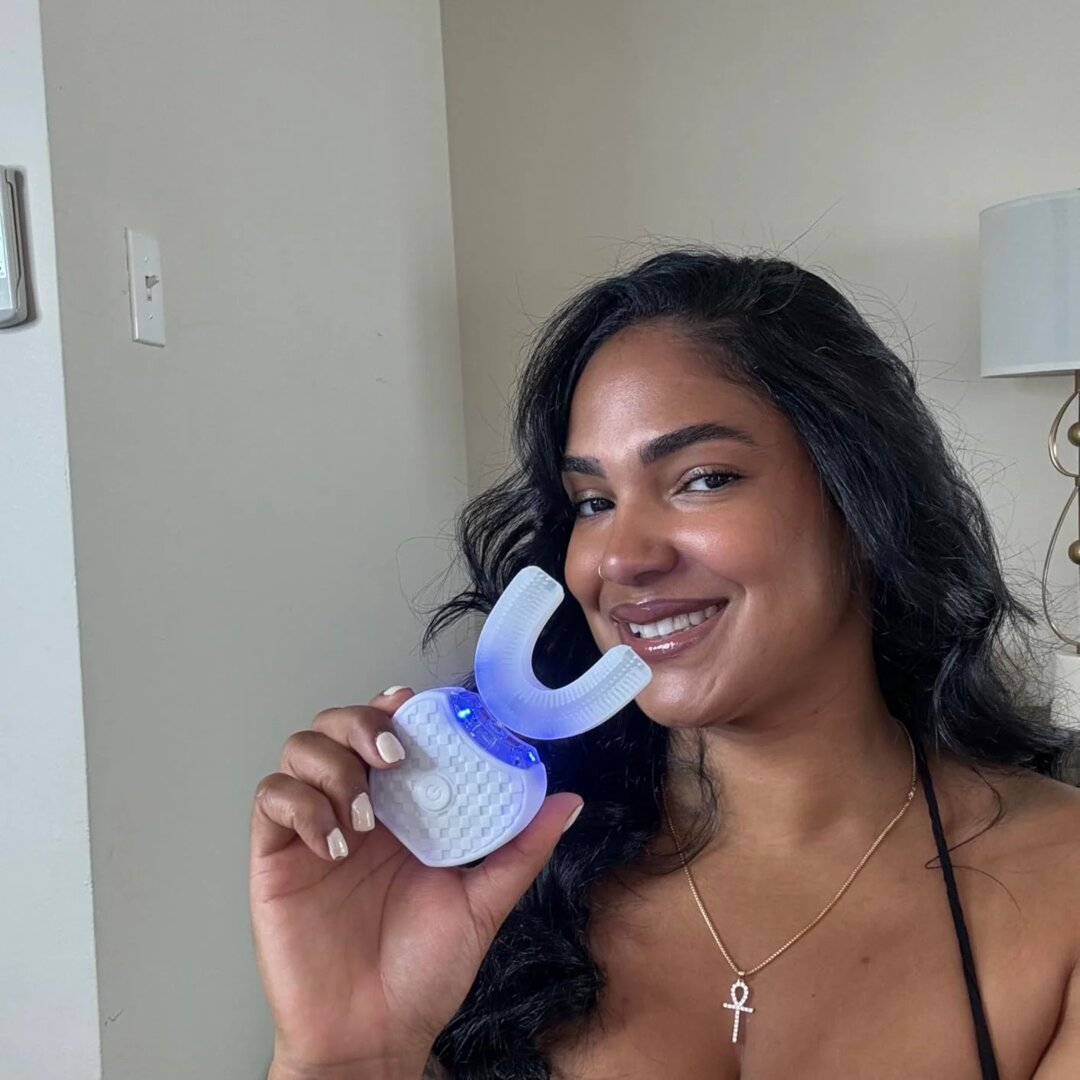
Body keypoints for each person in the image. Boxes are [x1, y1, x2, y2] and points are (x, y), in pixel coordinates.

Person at [250, 249, 1080, 1079]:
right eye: (593, 502)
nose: (622, 558)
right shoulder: (490, 879)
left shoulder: (1061, 883)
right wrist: (344, 1054)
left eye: (703, 479)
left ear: (863, 499)